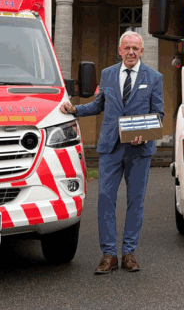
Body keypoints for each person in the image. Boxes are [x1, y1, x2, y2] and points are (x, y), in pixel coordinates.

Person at [60, 31, 164, 274]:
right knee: (105, 200)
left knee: (135, 202)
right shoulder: (107, 75)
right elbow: (98, 105)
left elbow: (158, 113)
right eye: (126, 48)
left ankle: (129, 253)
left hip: (139, 149)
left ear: (142, 51)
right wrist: (75, 109)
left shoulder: (155, 77)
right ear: (119, 50)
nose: (131, 52)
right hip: (110, 147)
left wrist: (145, 132)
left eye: (135, 49)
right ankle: (108, 255)